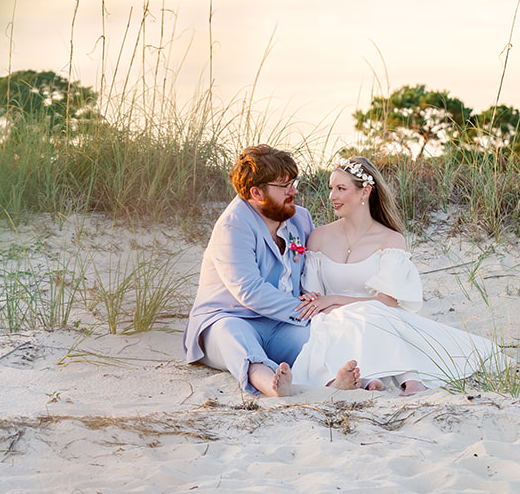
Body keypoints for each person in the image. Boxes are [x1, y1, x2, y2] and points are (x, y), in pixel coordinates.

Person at [293, 155, 502, 394]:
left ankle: (403, 380)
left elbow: (387, 302)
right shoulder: (318, 237)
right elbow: (313, 296)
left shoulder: (390, 240)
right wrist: (327, 303)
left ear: (365, 192)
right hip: (331, 317)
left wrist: (334, 298)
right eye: (331, 189)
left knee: (370, 314)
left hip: (381, 315)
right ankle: (367, 378)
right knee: (344, 321)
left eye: (341, 189)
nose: (332, 196)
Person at [183, 145, 315, 397]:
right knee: (233, 336)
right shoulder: (233, 225)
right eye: (284, 186)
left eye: (293, 182)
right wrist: (304, 312)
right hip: (227, 317)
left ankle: (337, 381)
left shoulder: (301, 219)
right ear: (256, 192)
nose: (294, 191)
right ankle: (271, 383)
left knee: (315, 338)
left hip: (281, 323)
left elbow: (313, 269)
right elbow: (249, 291)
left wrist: (315, 301)